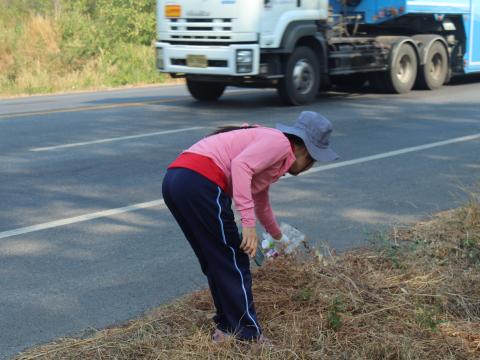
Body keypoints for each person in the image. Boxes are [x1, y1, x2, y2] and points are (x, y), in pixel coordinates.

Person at [162, 111, 338, 343]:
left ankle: (226, 328)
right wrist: (248, 225)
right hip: (201, 181)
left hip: (177, 180)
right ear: (305, 150)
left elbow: (260, 200)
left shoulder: (272, 150)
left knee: (216, 260)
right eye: (313, 160)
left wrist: (278, 236)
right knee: (235, 260)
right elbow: (241, 165)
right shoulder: (279, 143)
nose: (309, 167)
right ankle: (249, 336)